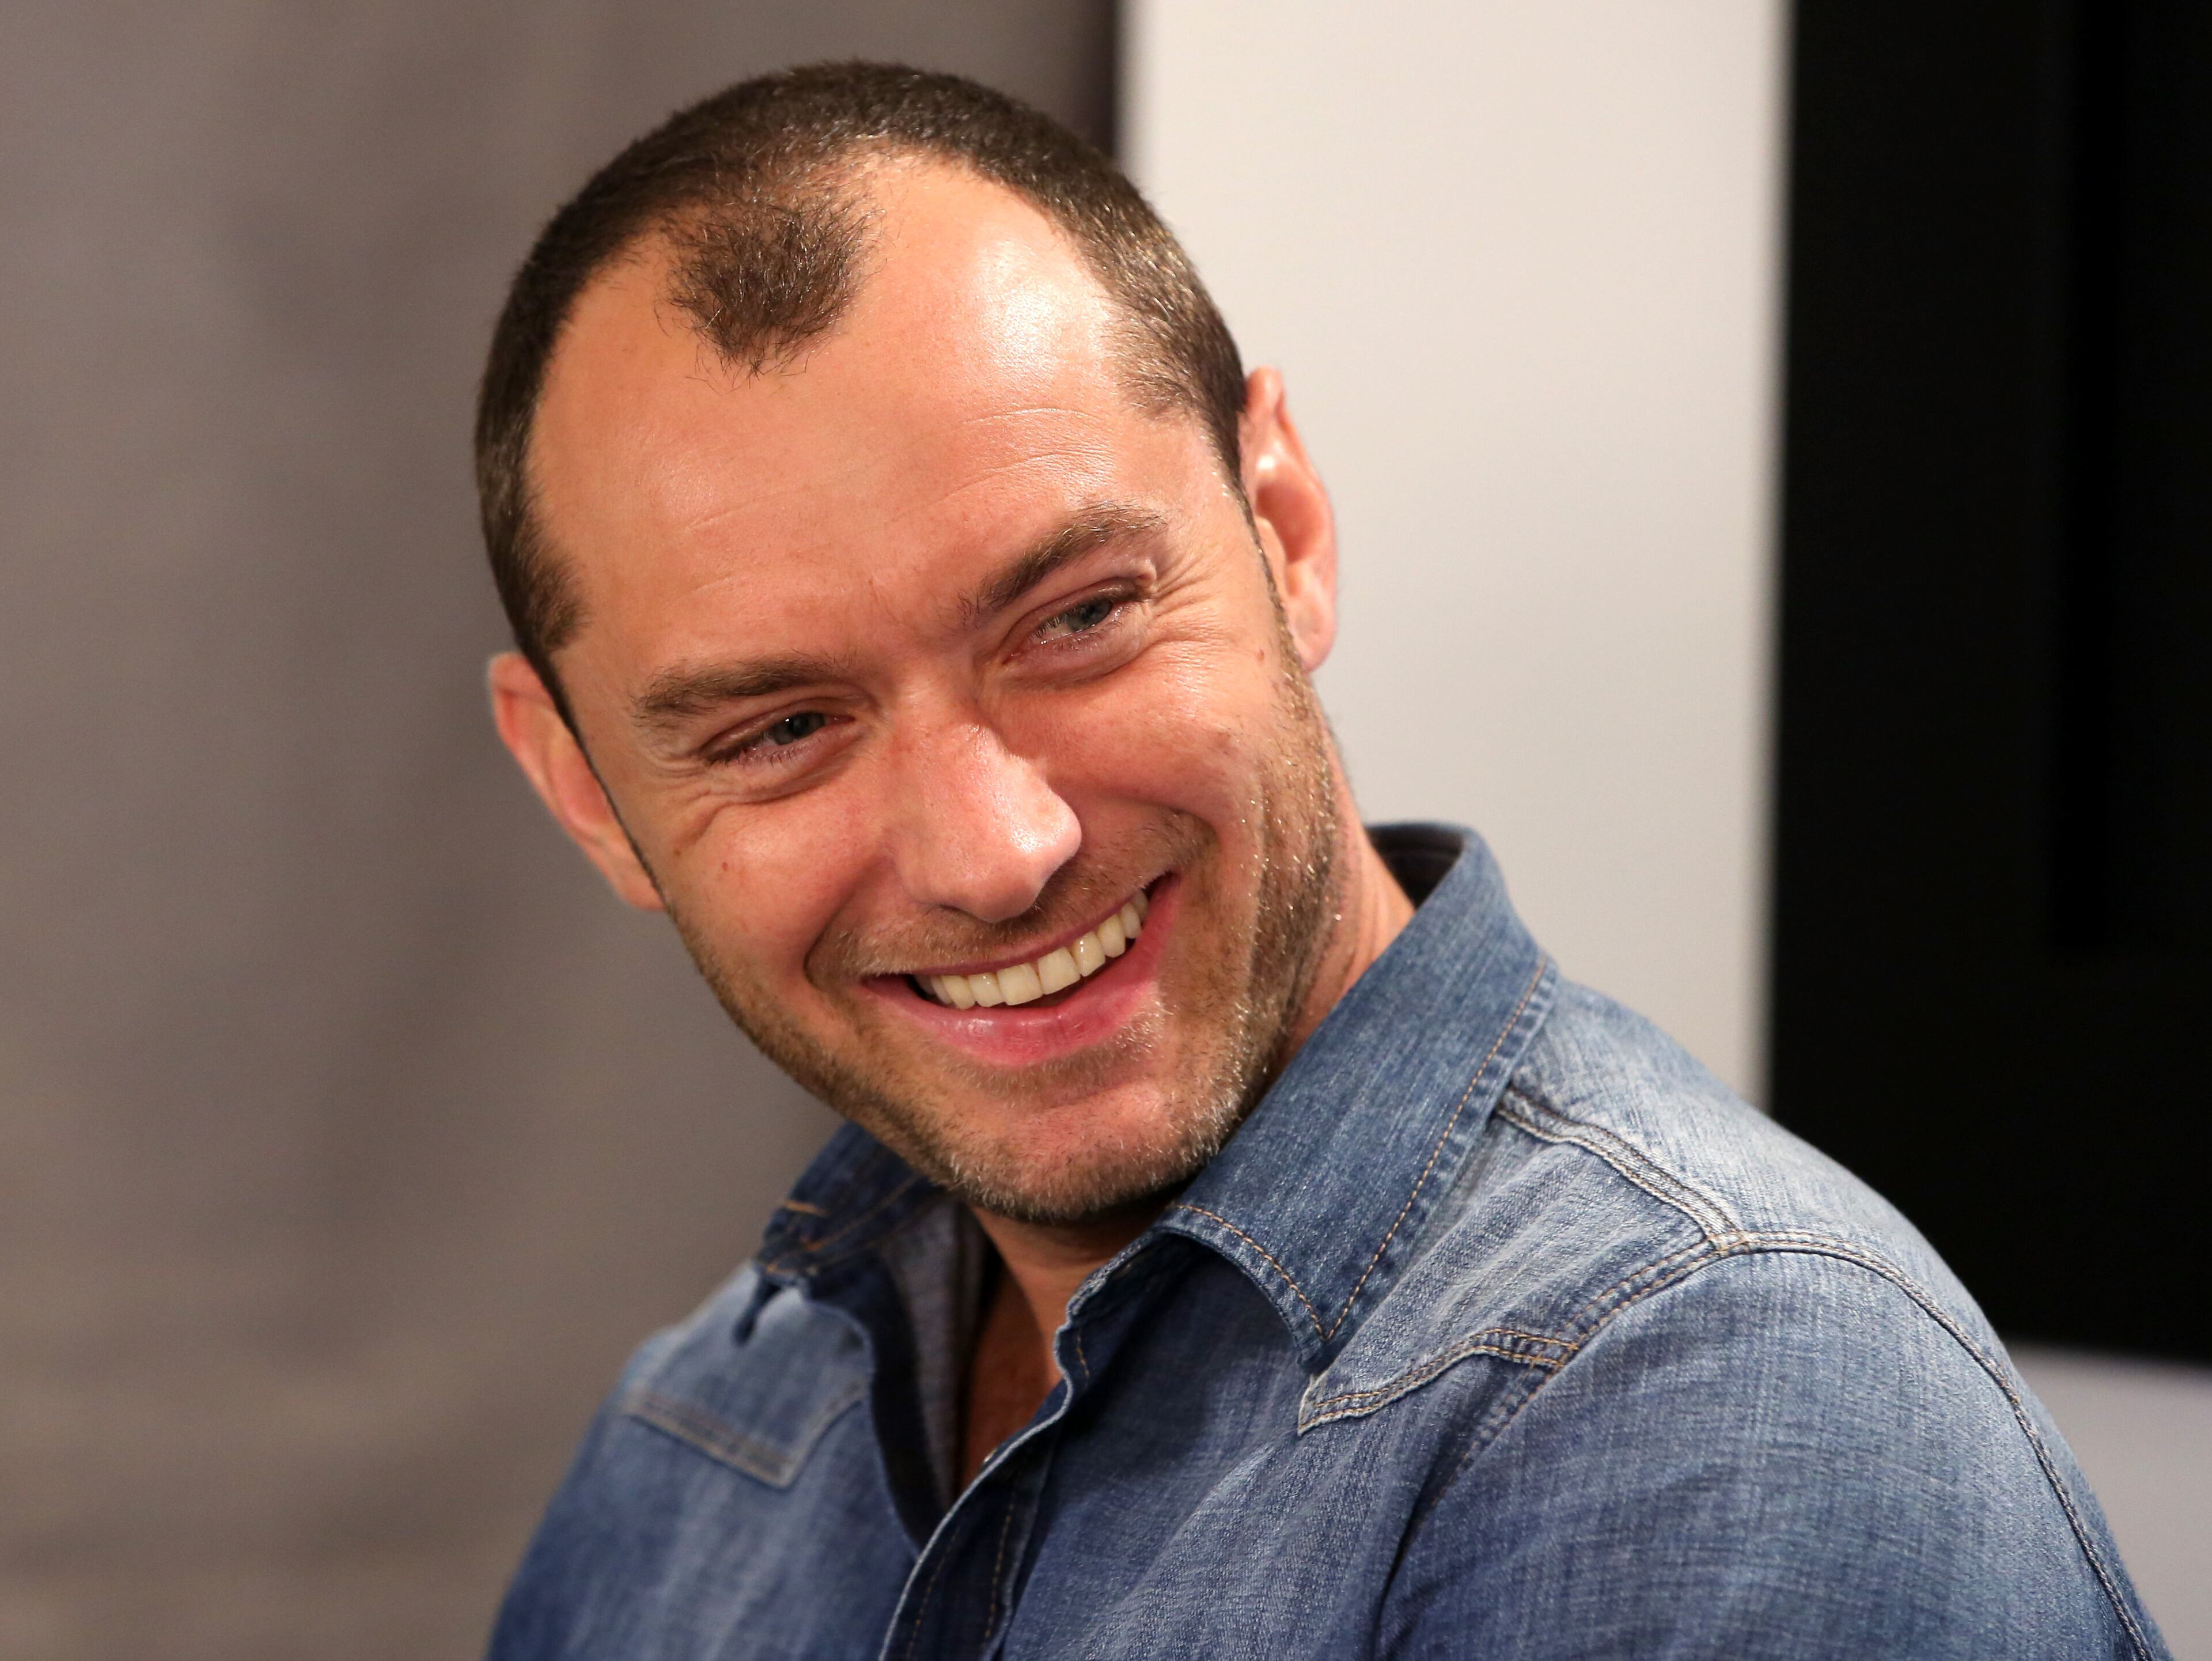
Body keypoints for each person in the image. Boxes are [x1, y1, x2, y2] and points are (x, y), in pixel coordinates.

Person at [476, 63, 2167, 1661]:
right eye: (782, 730)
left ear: (1282, 530)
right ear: (587, 793)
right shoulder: (694, 1448)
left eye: (1078, 619)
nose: (998, 852)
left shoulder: (1731, 1412)